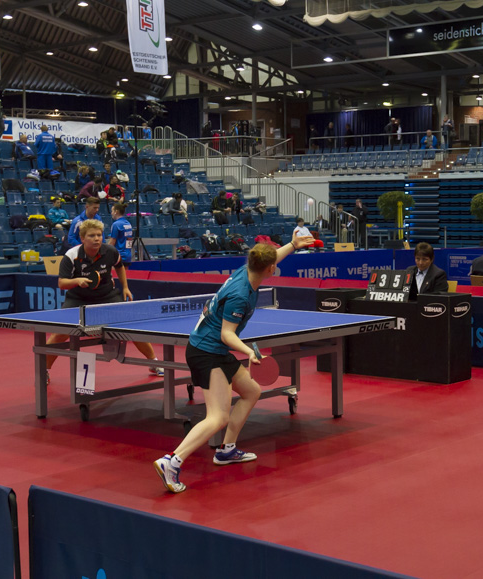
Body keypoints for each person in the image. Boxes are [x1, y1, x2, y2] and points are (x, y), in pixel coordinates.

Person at [153, 236, 313, 493]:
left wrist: (293, 246)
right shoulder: (240, 295)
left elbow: (271, 258)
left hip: (214, 349)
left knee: (252, 391)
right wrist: (249, 352)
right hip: (206, 352)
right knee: (218, 416)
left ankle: (226, 450)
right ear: (270, 269)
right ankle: (172, 460)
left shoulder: (247, 270)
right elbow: (227, 334)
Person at [46, 219, 163, 380]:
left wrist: (125, 287)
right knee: (61, 333)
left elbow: (119, 266)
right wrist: (77, 281)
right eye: (92, 235)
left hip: (107, 296)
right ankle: (44, 369)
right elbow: (62, 283)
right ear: (82, 238)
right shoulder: (71, 256)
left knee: (132, 326)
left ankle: (153, 362)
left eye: (99, 235)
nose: (97, 239)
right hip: (78, 298)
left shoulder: (110, 251)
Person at [108, 201, 135, 267]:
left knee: (115, 274)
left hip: (118, 256)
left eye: (112, 211)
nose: (111, 213)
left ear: (116, 212)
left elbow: (112, 242)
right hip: (128, 255)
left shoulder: (116, 224)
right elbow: (129, 240)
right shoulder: (128, 224)